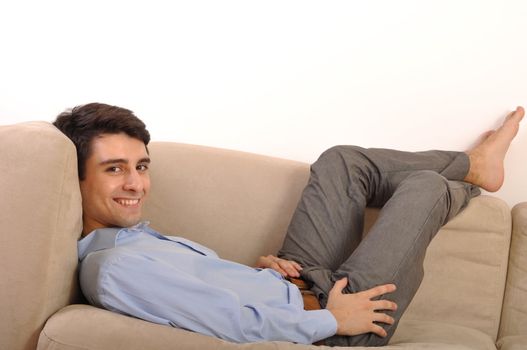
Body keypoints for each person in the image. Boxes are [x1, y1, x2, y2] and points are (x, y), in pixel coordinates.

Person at [53, 103, 524, 347]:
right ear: (74, 178)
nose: (136, 183)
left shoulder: (134, 240)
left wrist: (255, 275)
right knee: (422, 187)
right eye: (114, 169)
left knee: (342, 162)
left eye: (141, 166)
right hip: (335, 326)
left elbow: (209, 299)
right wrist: (331, 319)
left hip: (295, 284)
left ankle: (470, 166)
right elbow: (234, 328)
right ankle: (471, 176)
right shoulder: (114, 267)